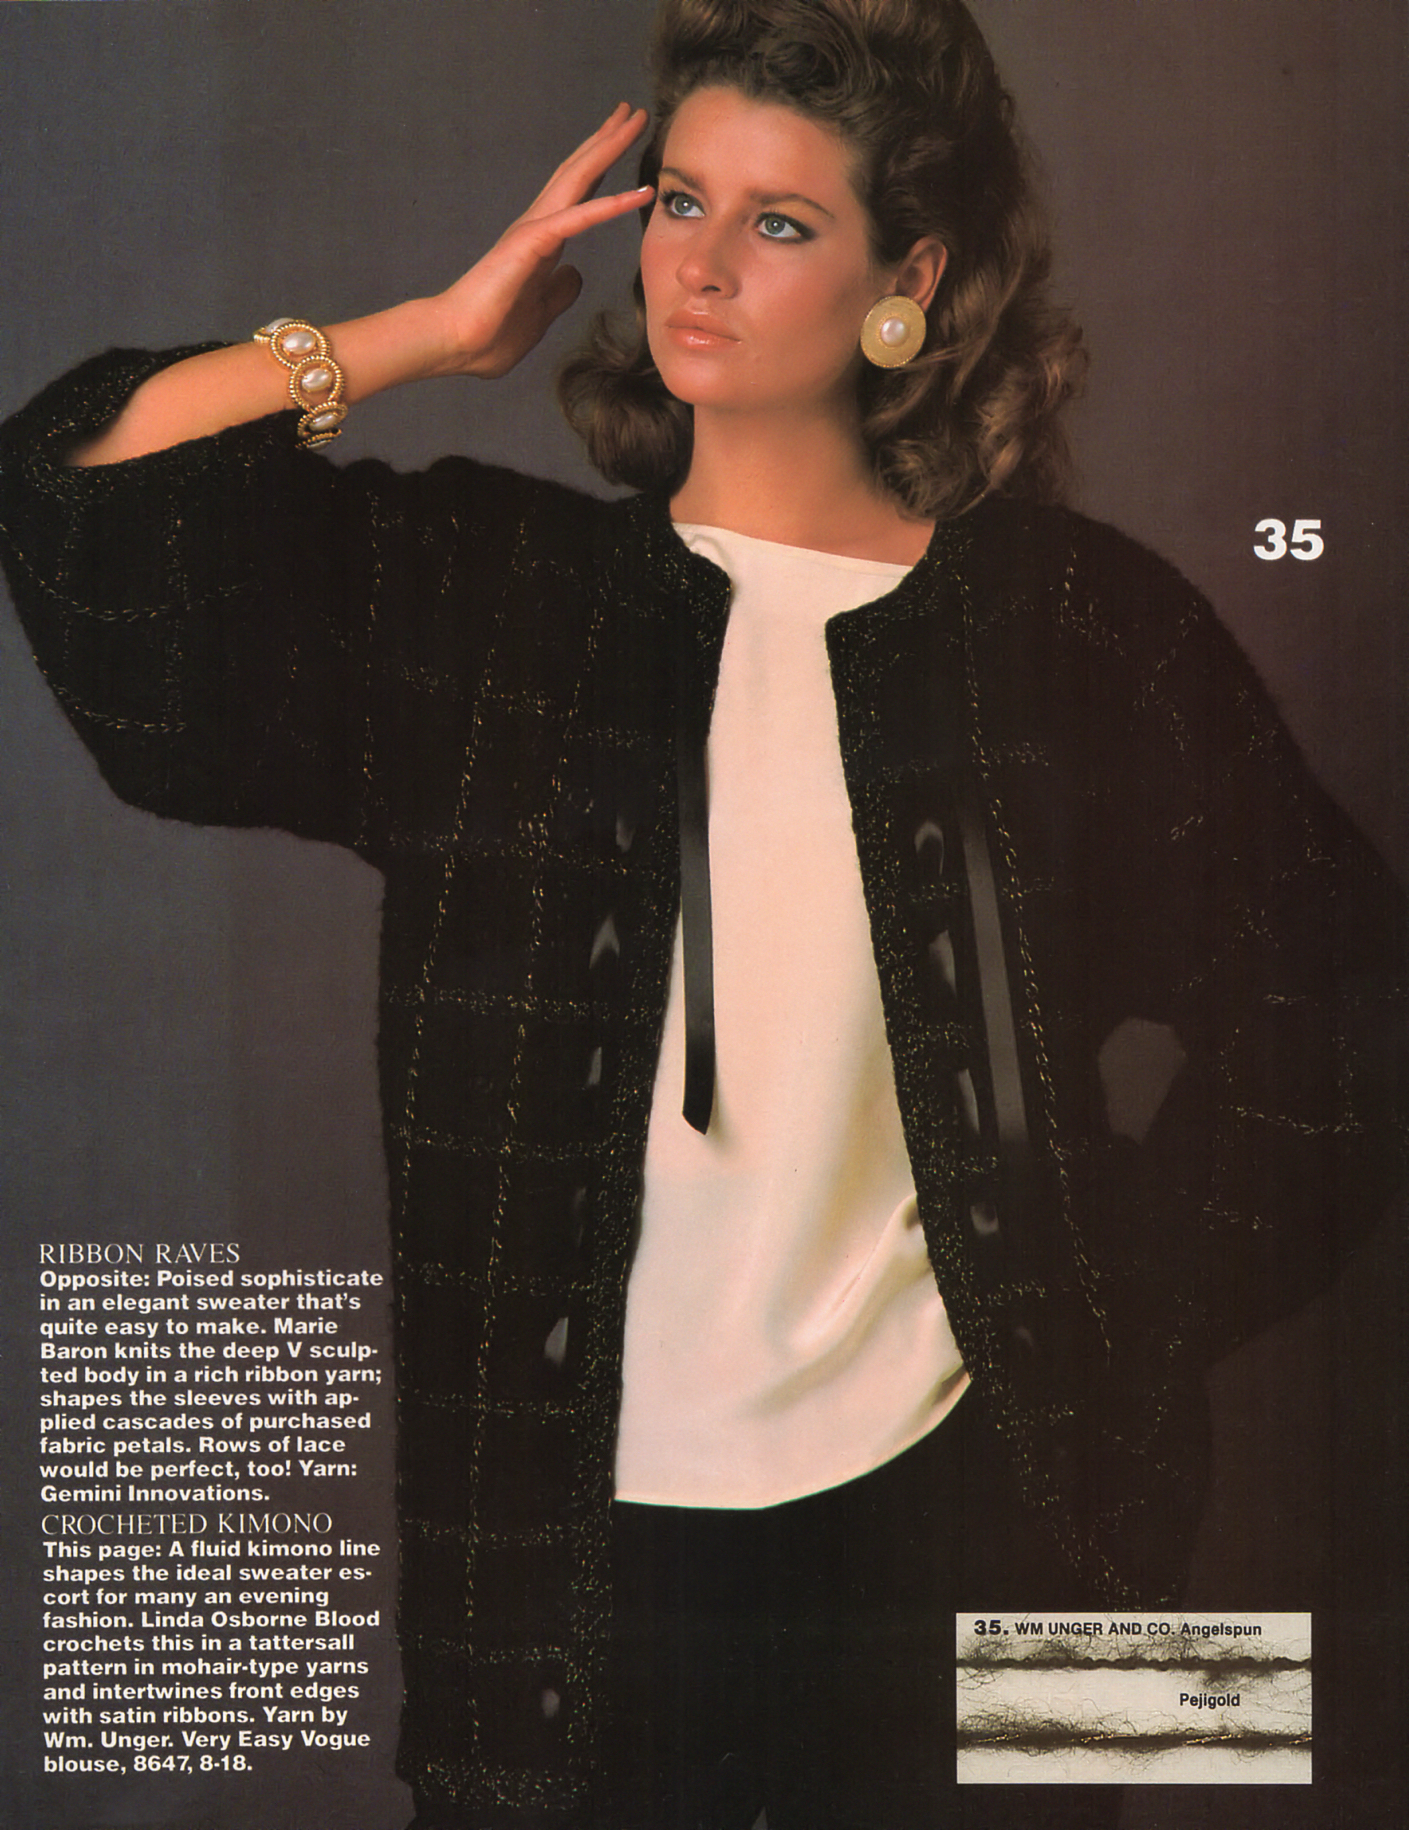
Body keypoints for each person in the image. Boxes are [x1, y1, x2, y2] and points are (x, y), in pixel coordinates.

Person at [0, 1, 1403, 1825]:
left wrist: (1106, 1305)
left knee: (1118, 1787)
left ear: (910, 278)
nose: (701, 263)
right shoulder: (495, 603)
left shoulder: (1082, 622)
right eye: (678, 200)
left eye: (780, 221)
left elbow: (1344, 1005)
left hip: (1005, 1529)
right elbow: (73, 492)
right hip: (565, 1576)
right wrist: (426, 334)